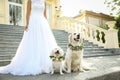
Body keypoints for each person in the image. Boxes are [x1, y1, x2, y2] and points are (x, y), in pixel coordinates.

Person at [0, 0, 58, 75]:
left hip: (43, 23)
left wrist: (47, 26)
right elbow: (28, 13)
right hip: (33, 22)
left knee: (44, 43)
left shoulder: (44, 1)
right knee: (33, 42)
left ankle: (44, 63)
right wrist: (27, 24)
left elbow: (45, 15)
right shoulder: (30, 0)